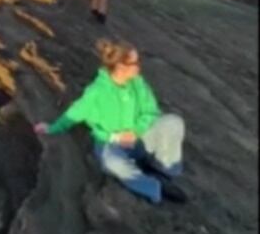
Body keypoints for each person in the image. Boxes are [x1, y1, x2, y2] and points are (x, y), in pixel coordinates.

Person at [34, 38, 186, 204]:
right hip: (112, 143)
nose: (139, 66)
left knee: (173, 123)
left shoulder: (138, 83)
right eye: (134, 62)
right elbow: (73, 114)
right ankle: (154, 187)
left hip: (140, 137)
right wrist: (52, 128)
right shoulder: (96, 93)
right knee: (112, 163)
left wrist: (135, 131)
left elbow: (151, 111)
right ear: (120, 67)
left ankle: (164, 172)